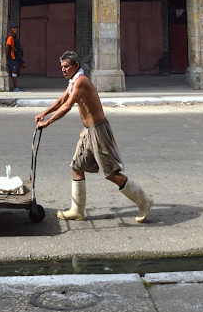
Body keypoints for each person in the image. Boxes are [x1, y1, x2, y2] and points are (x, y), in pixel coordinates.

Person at [35, 52, 153, 223]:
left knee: (111, 173)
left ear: (76, 65)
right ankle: (77, 210)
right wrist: (43, 113)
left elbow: (68, 106)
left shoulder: (81, 81)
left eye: (66, 66)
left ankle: (144, 201)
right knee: (77, 166)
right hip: (88, 131)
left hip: (98, 131)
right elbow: (62, 99)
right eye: (61, 67)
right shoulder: (73, 81)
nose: (63, 70)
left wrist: (48, 122)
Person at [5, 24, 23, 92]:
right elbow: (7, 47)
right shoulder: (10, 38)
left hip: (17, 57)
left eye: (16, 28)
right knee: (14, 72)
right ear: (11, 29)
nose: (15, 29)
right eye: (14, 28)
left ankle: (12, 73)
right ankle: (15, 87)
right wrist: (6, 57)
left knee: (24, 65)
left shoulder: (14, 37)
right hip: (13, 57)